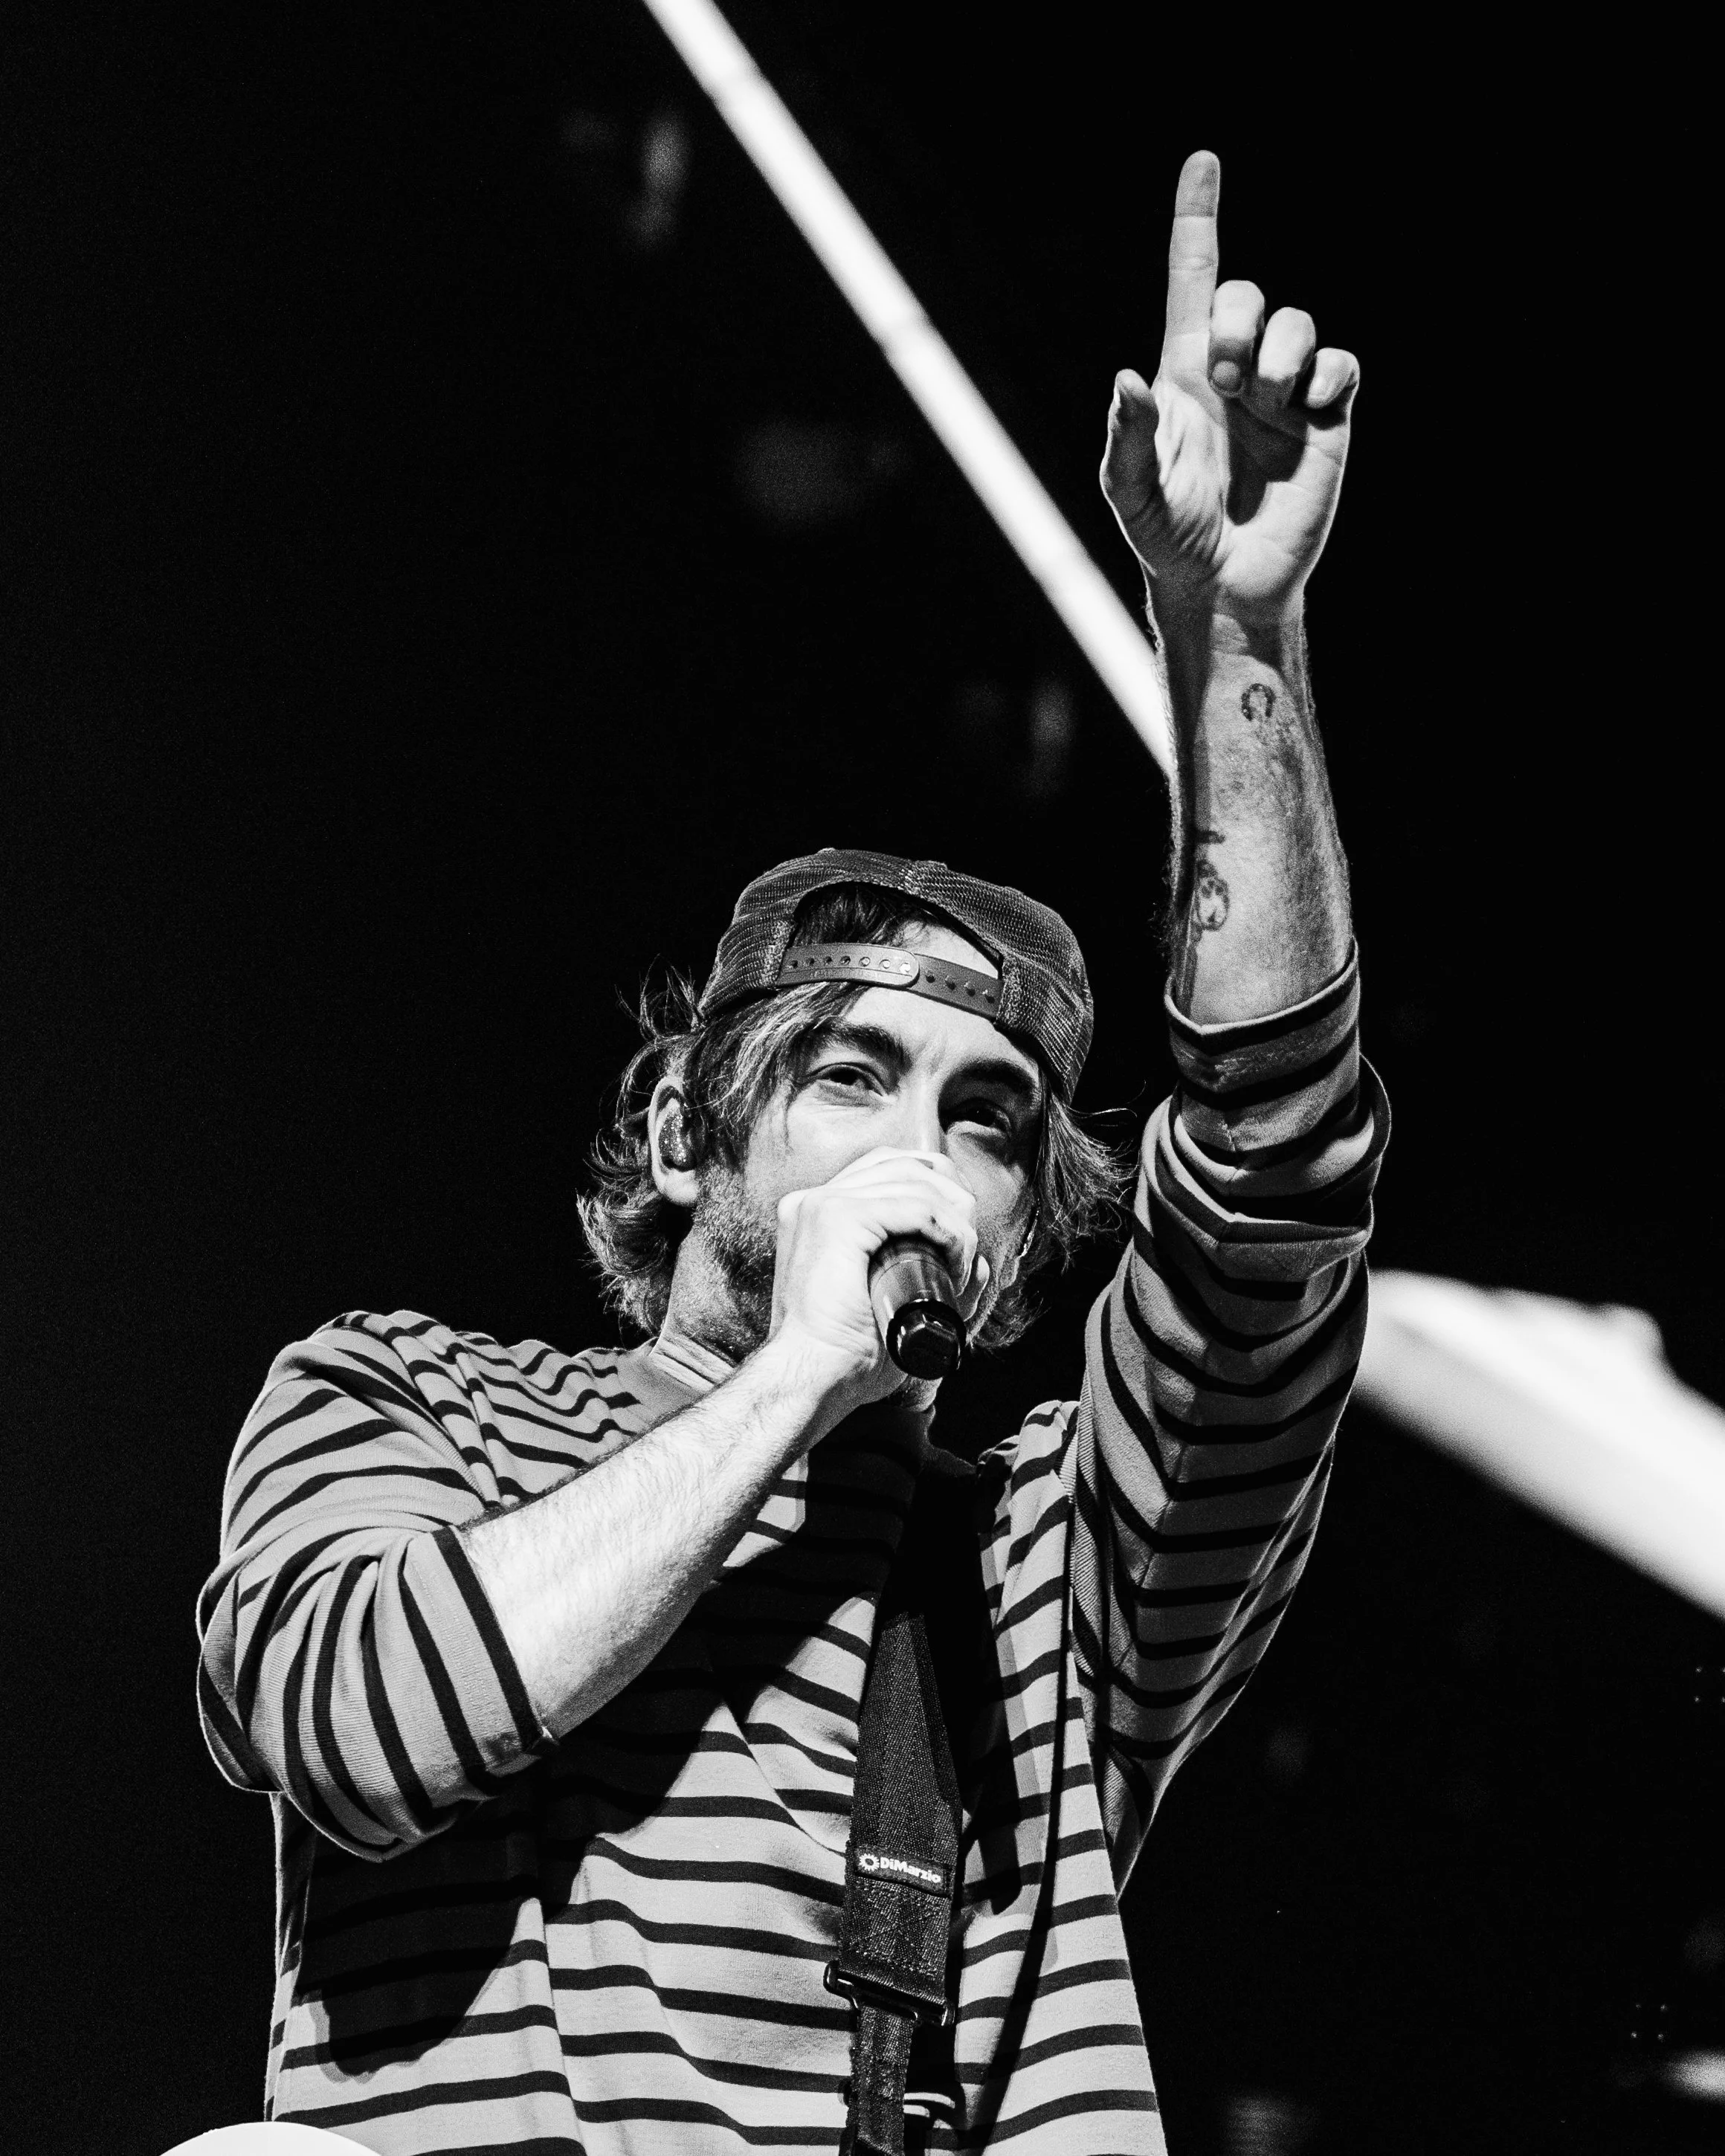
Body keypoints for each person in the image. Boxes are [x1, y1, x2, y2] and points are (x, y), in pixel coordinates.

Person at [198, 151, 1387, 2155]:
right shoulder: (403, 1395)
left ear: (1023, 1232)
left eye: (989, 1120)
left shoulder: (1039, 1565)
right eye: (853, 1075)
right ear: (685, 1129)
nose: (925, 1149)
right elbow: (364, 1729)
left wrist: (1236, 640)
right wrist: (790, 1386)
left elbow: (1273, 1177)